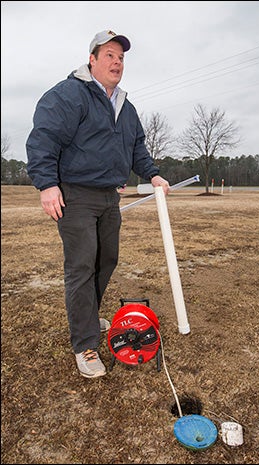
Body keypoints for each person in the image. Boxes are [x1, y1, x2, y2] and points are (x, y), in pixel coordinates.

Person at [26, 30, 170, 379]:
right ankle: (85, 343)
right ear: (92, 59)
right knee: (81, 266)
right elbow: (43, 138)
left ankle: (88, 314)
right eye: (109, 55)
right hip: (74, 195)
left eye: (121, 57)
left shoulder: (126, 106)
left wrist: (152, 174)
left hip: (109, 196)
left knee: (107, 259)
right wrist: (47, 185)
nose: (116, 62)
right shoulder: (69, 94)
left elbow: (137, 148)